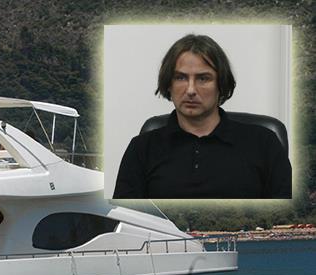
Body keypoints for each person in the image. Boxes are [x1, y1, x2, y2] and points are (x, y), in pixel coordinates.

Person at [113, 34, 292, 199]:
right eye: (180, 78)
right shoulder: (141, 148)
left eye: (203, 78)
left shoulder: (264, 143)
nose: (191, 90)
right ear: (168, 84)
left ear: (221, 84)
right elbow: (125, 215)